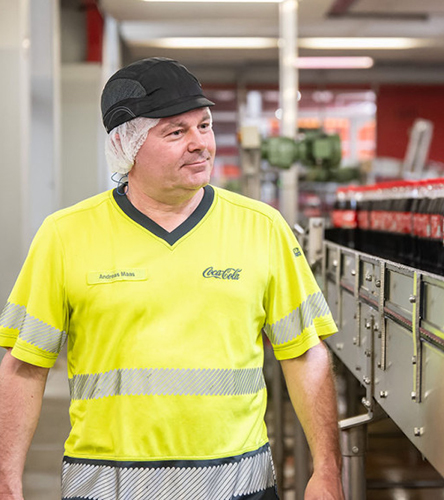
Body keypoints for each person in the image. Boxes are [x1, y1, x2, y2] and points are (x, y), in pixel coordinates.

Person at [0, 57, 344, 500]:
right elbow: (24, 366)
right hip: (108, 486)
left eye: (204, 126)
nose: (200, 144)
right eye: (176, 132)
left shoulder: (263, 227)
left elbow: (305, 354)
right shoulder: (65, 235)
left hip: (238, 485)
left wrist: (327, 469)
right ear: (126, 145)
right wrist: (6, 480)